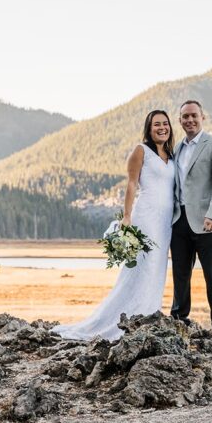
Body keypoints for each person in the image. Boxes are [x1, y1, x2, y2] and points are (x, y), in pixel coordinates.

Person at [52, 111, 175, 341]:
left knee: (156, 271)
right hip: (146, 218)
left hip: (165, 223)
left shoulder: (171, 154)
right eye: (156, 124)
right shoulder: (141, 151)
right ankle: (121, 321)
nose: (162, 127)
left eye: (165, 123)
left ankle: (147, 316)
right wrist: (127, 216)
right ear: (149, 128)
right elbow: (131, 184)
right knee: (140, 269)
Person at [170, 99, 212, 335]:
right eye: (185, 116)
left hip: (207, 221)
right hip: (180, 219)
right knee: (180, 272)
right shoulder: (177, 148)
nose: (190, 120)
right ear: (180, 120)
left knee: (211, 273)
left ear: (202, 117)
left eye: (194, 115)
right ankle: (179, 318)